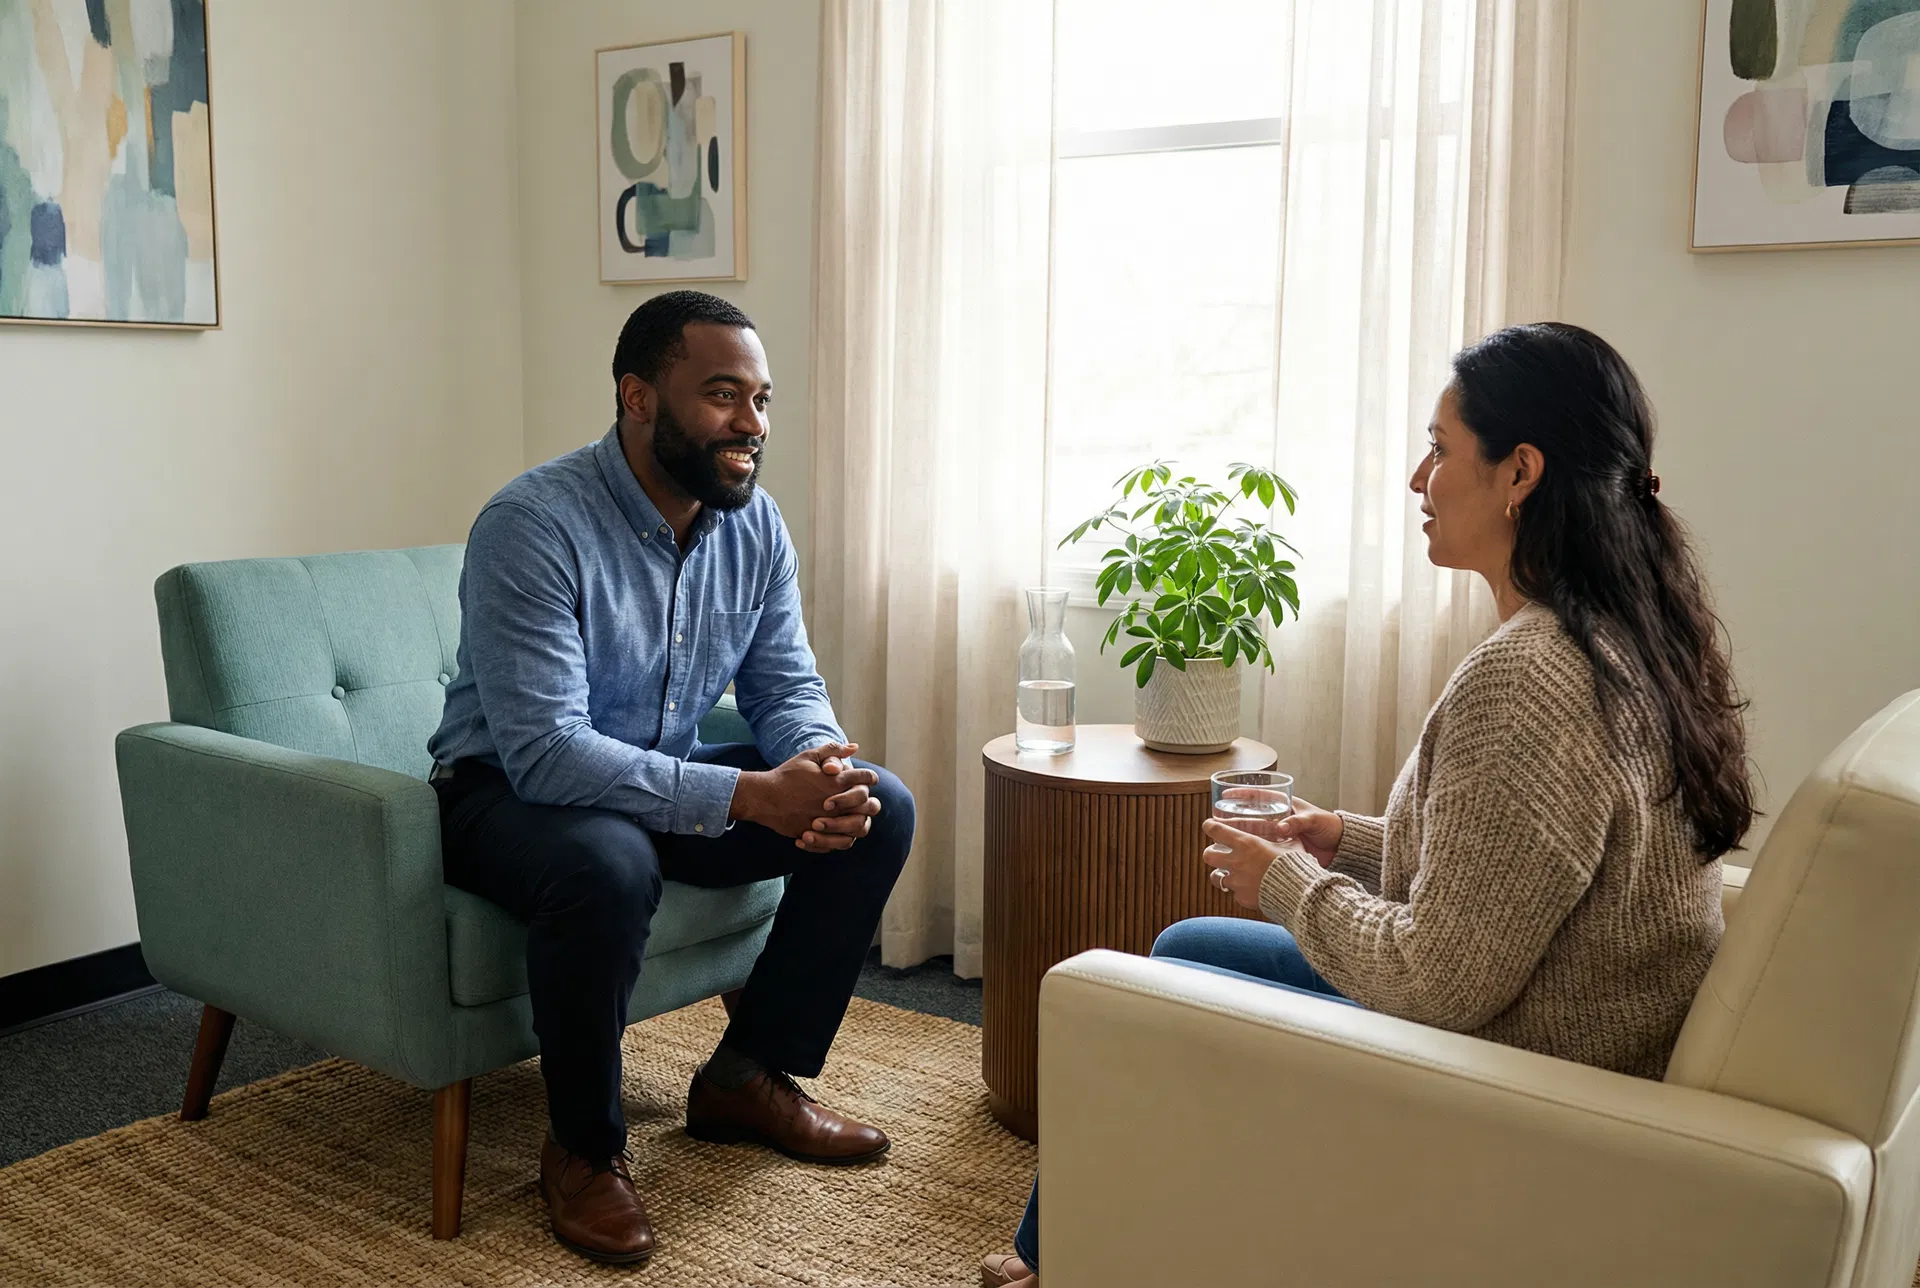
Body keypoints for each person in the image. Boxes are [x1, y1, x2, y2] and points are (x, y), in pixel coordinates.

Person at [982, 322, 1750, 1288]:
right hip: (1578, 1031)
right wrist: (1345, 839)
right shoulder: (1634, 637)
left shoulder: (1529, 678)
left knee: (1163, 975)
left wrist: (1286, 883)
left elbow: (1440, 983)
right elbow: (1524, 872)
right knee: (1186, 950)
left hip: (1513, 1068)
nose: (1419, 479)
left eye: (1439, 448)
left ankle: (1065, 1259)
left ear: (1520, 472)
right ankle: (1080, 1242)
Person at [429, 290, 915, 1266]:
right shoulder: (533, 523)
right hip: (507, 794)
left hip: (656, 779)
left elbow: (784, 684)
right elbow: (547, 751)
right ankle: (583, 1149)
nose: (752, 423)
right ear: (639, 397)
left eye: (762, 400)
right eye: (723, 395)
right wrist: (750, 796)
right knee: (606, 863)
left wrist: (819, 765)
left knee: (878, 804)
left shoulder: (754, 524)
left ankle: (747, 1076)